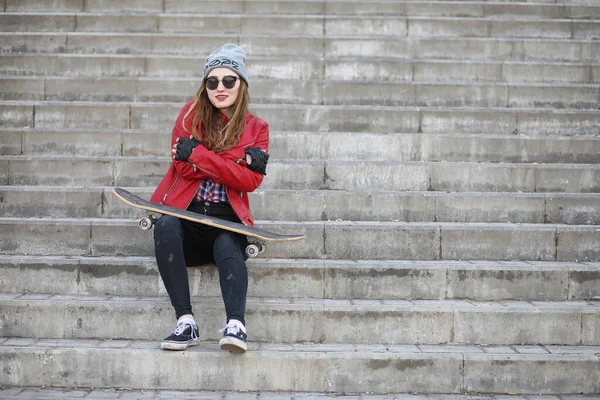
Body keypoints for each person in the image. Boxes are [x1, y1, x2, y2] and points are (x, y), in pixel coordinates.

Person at [149, 44, 270, 353]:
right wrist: (236, 159)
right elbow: (181, 165)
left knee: (229, 243)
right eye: (212, 81)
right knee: (164, 226)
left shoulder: (258, 128)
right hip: (186, 222)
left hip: (226, 223)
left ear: (241, 85)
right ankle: (185, 323)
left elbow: (250, 180)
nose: (220, 87)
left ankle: (236, 327)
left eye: (228, 80)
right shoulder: (190, 115)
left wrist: (200, 155)